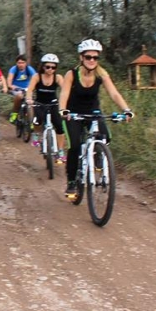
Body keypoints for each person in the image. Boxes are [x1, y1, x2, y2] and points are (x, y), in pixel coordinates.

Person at [58, 39, 134, 198]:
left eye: (95, 57)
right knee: (75, 146)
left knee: (105, 137)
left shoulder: (102, 73)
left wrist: (126, 109)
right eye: (88, 57)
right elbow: (64, 94)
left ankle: (99, 154)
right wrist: (63, 110)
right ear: (81, 57)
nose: (92, 60)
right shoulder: (71, 74)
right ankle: (72, 181)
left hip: (93, 112)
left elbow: (114, 93)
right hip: (73, 114)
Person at [25, 53, 66, 161]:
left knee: (60, 126)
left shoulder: (58, 77)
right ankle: (37, 133)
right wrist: (29, 99)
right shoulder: (37, 77)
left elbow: (65, 90)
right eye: (48, 67)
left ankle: (60, 150)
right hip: (40, 103)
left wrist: (69, 100)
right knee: (37, 120)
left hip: (53, 103)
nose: (50, 69)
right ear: (43, 66)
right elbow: (30, 89)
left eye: (53, 67)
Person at [7, 54, 37, 124]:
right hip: (16, 88)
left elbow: (36, 78)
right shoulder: (14, 69)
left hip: (27, 88)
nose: (21, 65)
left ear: (25, 63)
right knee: (19, 96)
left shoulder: (29, 69)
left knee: (31, 102)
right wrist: (10, 86)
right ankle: (14, 114)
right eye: (19, 63)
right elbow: (9, 79)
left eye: (22, 63)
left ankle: (31, 121)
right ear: (16, 63)